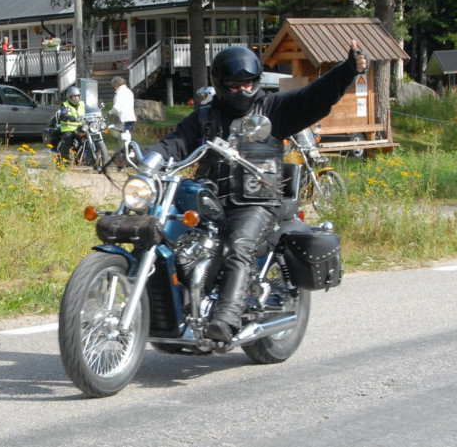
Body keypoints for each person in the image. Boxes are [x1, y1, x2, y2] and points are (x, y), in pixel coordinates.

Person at [148, 41, 367, 344]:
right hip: (211, 200)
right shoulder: (205, 117)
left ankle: (226, 319)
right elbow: (175, 142)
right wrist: (147, 160)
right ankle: (176, 309)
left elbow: (314, 97)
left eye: (248, 83)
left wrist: (347, 71)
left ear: (256, 81)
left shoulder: (273, 109)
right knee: (170, 235)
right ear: (221, 84)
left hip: (257, 202)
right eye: (234, 85)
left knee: (238, 245)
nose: (242, 90)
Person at [58, 86, 86, 161]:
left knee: (87, 137)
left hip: (81, 127)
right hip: (69, 129)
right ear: (69, 97)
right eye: (74, 97)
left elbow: (90, 109)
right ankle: (65, 161)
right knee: (68, 139)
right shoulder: (65, 105)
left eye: (77, 96)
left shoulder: (82, 104)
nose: (76, 98)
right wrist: (71, 118)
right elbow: (62, 115)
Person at [109, 76, 136, 145]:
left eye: (114, 86)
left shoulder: (119, 93)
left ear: (116, 84)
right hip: (131, 117)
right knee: (127, 135)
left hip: (122, 118)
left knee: (123, 137)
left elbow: (116, 108)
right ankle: (130, 148)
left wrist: (110, 112)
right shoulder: (129, 91)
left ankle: (126, 149)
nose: (114, 87)